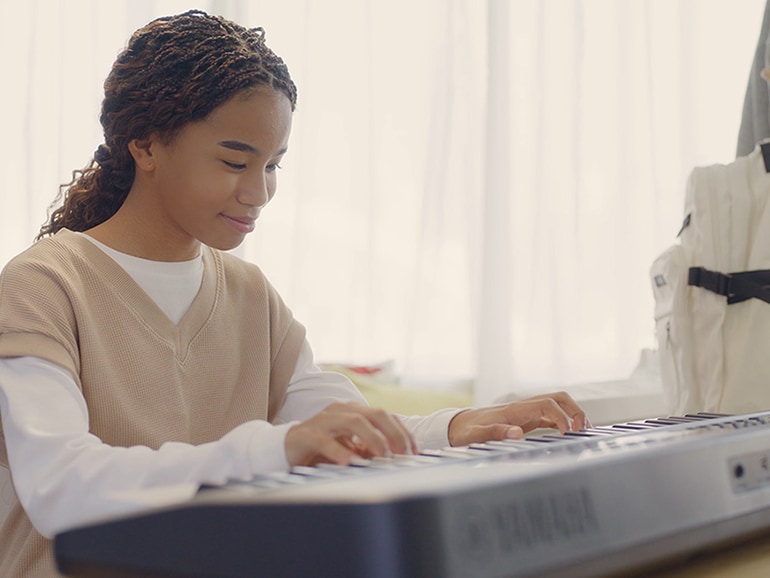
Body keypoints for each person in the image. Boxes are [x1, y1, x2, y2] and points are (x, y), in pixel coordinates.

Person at [0, 10, 589, 577]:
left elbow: (338, 422)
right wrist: (272, 450)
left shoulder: (250, 295)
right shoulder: (43, 287)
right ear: (147, 145)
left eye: (274, 165)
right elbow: (61, 486)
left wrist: (459, 427)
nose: (259, 193)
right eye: (235, 161)